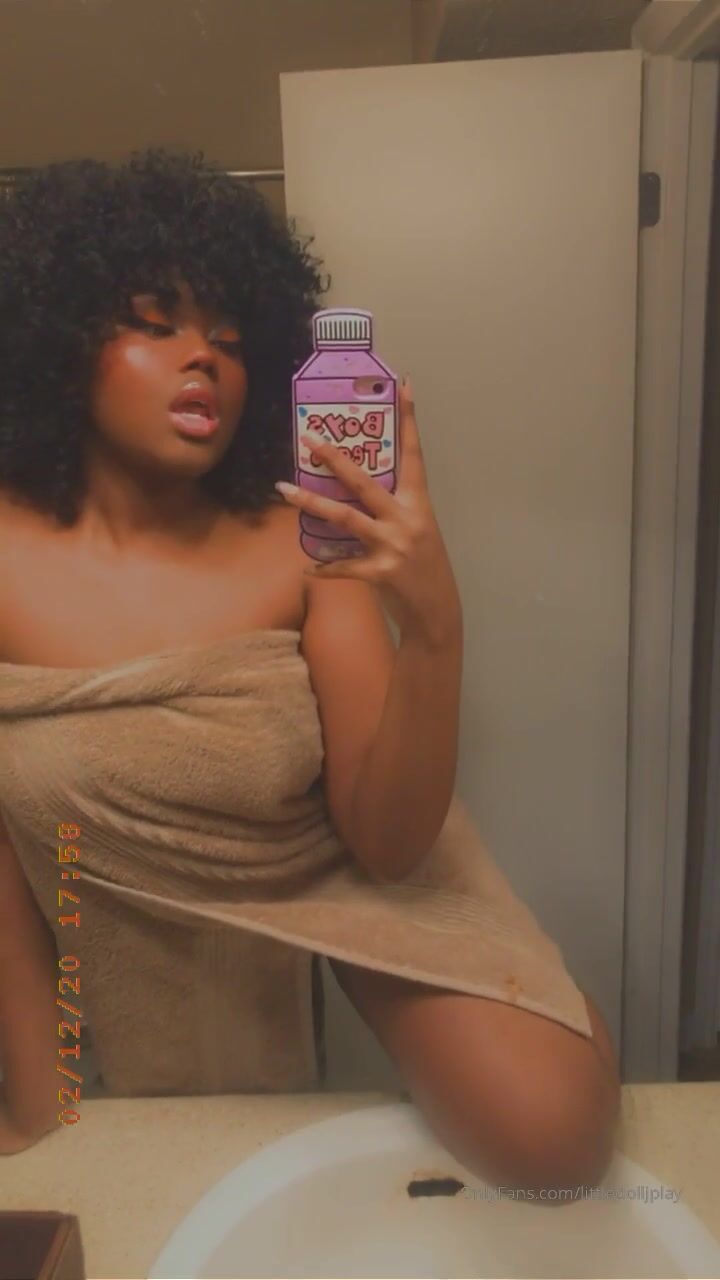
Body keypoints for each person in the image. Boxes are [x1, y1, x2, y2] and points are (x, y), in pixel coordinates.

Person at [0, 147, 620, 1194]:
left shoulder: (302, 539)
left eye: (231, 340)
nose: (204, 359)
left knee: (553, 1145)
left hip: (324, 863)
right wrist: (39, 1101)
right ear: (57, 341)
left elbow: (384, 841)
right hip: (105, 895)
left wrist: (434, 622)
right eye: (156, 325)